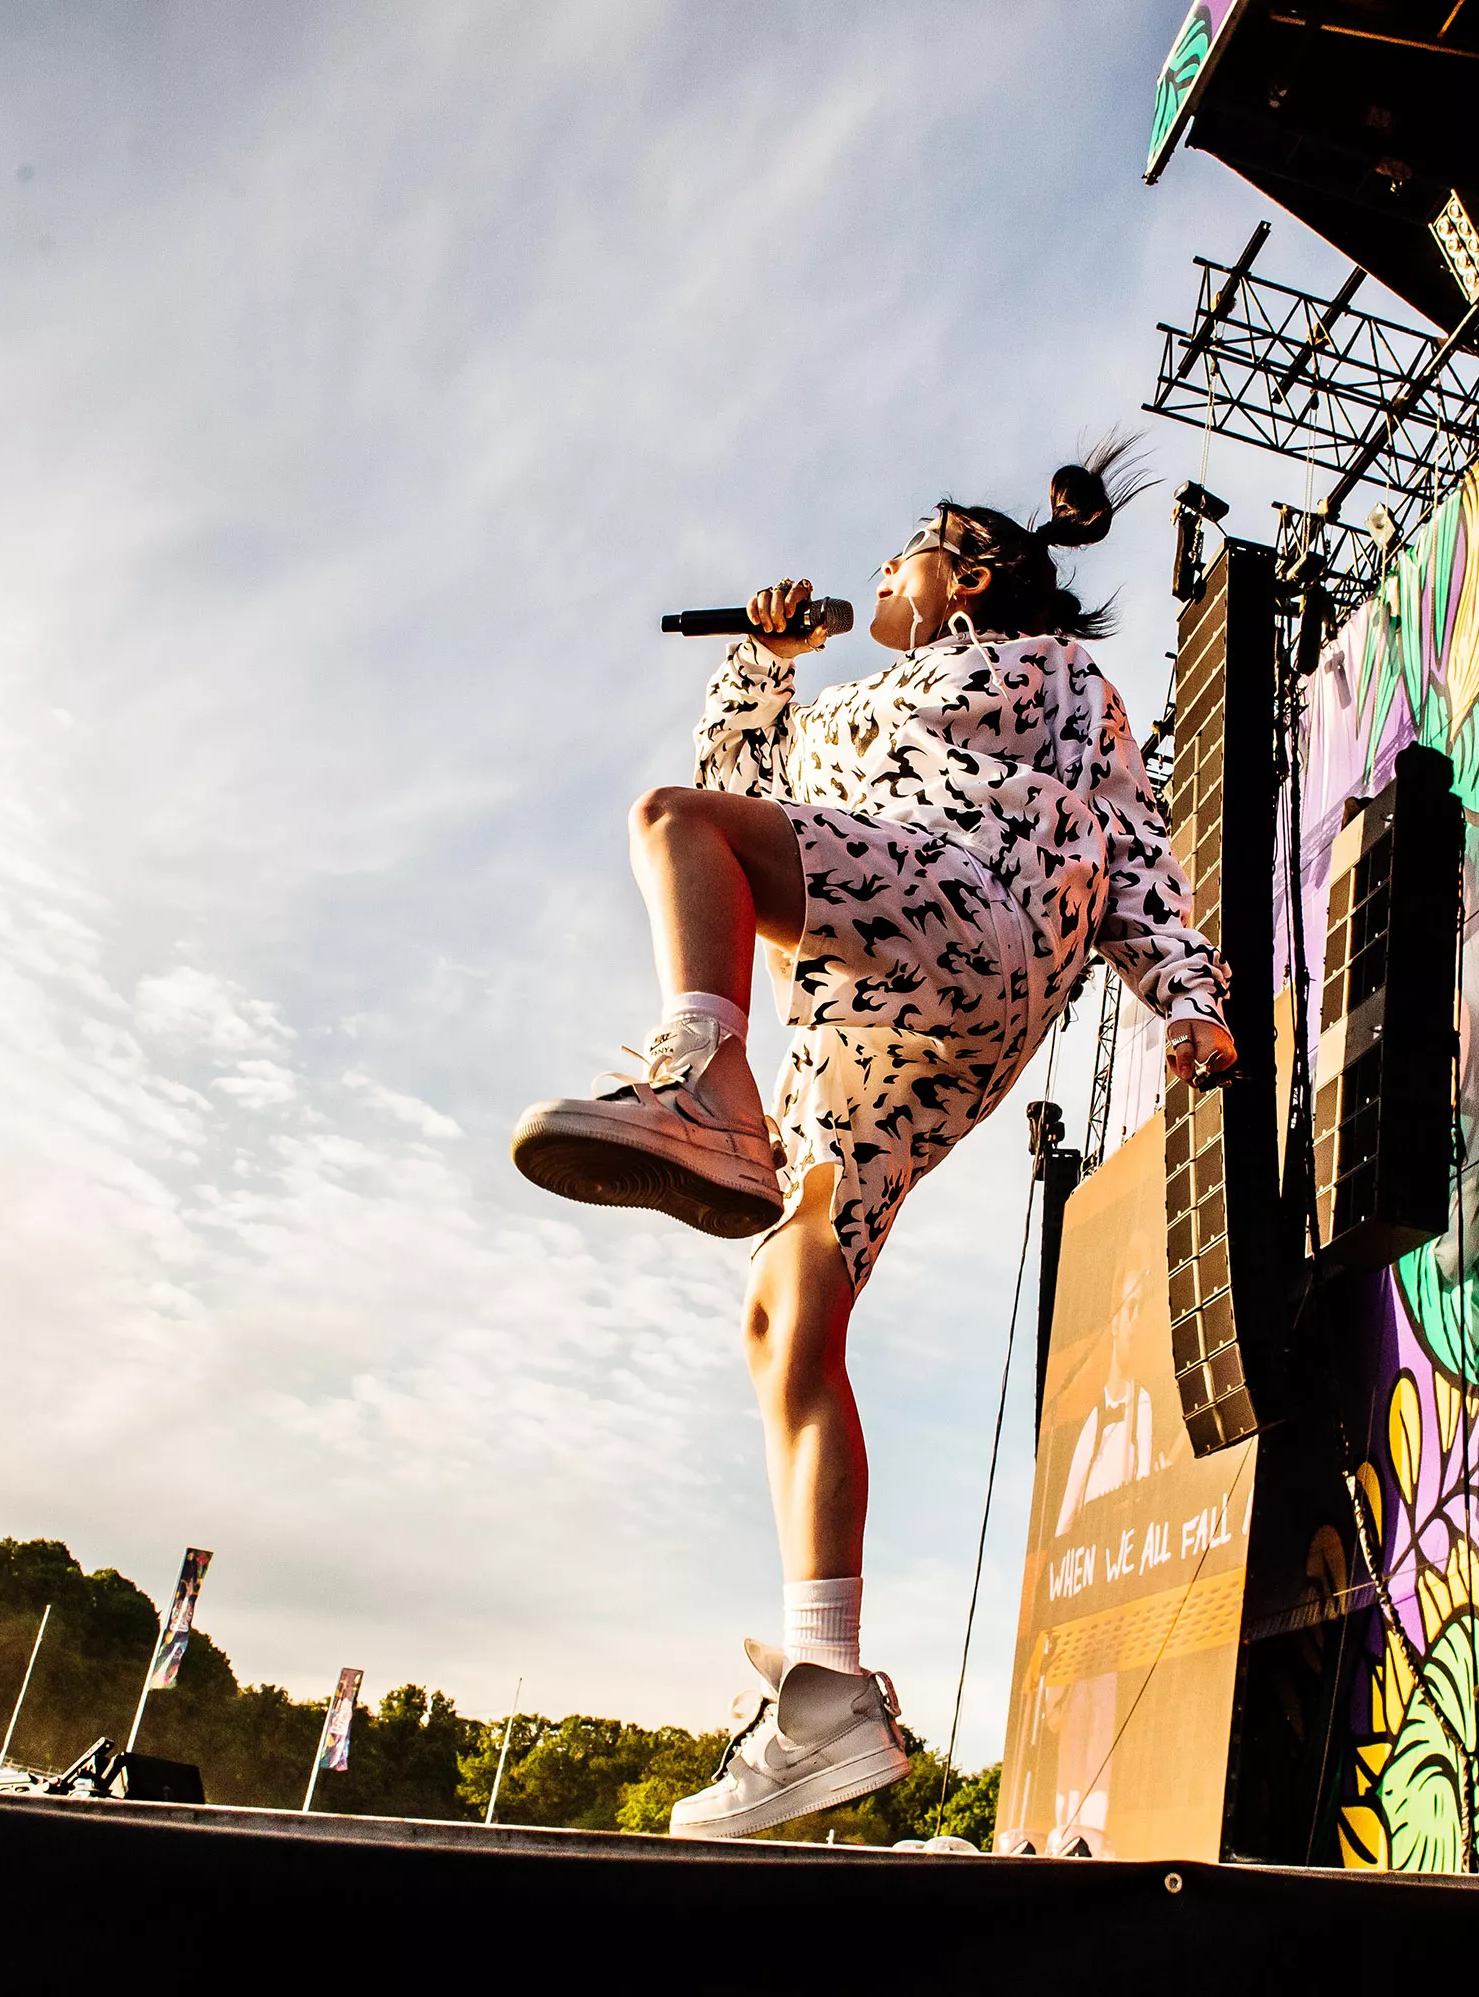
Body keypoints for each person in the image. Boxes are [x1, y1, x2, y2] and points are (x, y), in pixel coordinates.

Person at [510, 443, 1234, 1837]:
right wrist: (764, 664)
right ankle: (826, 1693)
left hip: (973, 908)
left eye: (906, 551)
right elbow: (743, 782)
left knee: (670, 827)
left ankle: (704, 1090)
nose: (880, 572)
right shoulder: (853, 707)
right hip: (871, 1020)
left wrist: (1188, 999)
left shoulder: (1052, 677)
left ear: (968, 571)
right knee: (785, 1321)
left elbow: (1136, 849)